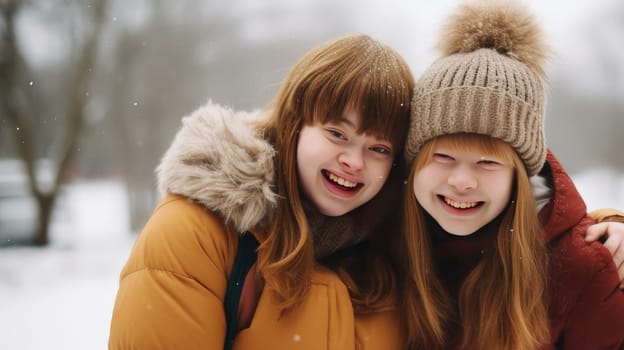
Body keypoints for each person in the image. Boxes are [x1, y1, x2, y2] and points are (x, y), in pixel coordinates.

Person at [108, 34, 415, 349]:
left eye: (379, 148)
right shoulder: (197, 231)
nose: (354, 161)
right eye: (337, 133)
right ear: (294, 125)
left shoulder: (394, 263)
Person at [399, 1, 624, 349]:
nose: (462, 181)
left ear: (520, 174)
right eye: (443, 156)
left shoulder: (577, 268)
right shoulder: (385, 242)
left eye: (488, 163)